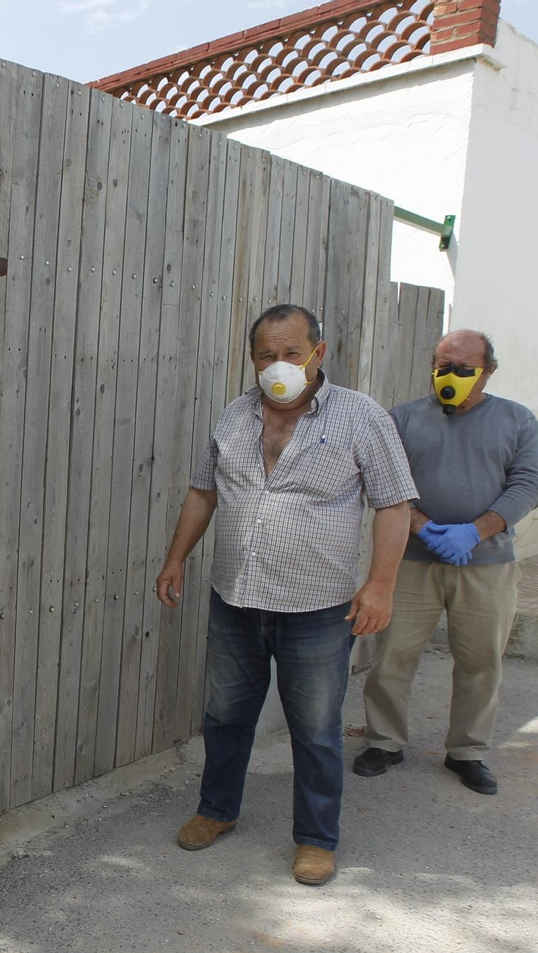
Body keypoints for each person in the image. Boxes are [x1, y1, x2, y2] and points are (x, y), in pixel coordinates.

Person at [155, 304, 416, 887]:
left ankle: (316, 839)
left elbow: (394, 504)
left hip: (317, 608)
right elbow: (203, 491)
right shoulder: (235, 416)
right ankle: (217, 809)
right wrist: (175, 559)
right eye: (267, 355)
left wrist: (380, 585)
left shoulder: (361, 417)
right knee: (225, 716)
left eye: (292, 353)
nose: (279, 364)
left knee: (316, 729)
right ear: (252, 359)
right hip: (236, 599)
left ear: (318, 353)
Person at [355, 330, 538, 795]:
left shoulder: (517, 420)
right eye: (443, 366)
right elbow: (384, 483)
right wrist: (423, 528)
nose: (451, 375)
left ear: (488, 371)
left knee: (481, 661)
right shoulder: (402, 420)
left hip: (487, 564)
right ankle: (384, 741)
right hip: (410, 561)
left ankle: (467, 751)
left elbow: (529, 485)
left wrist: (475, 531)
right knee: (392, 655)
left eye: (463, 369)